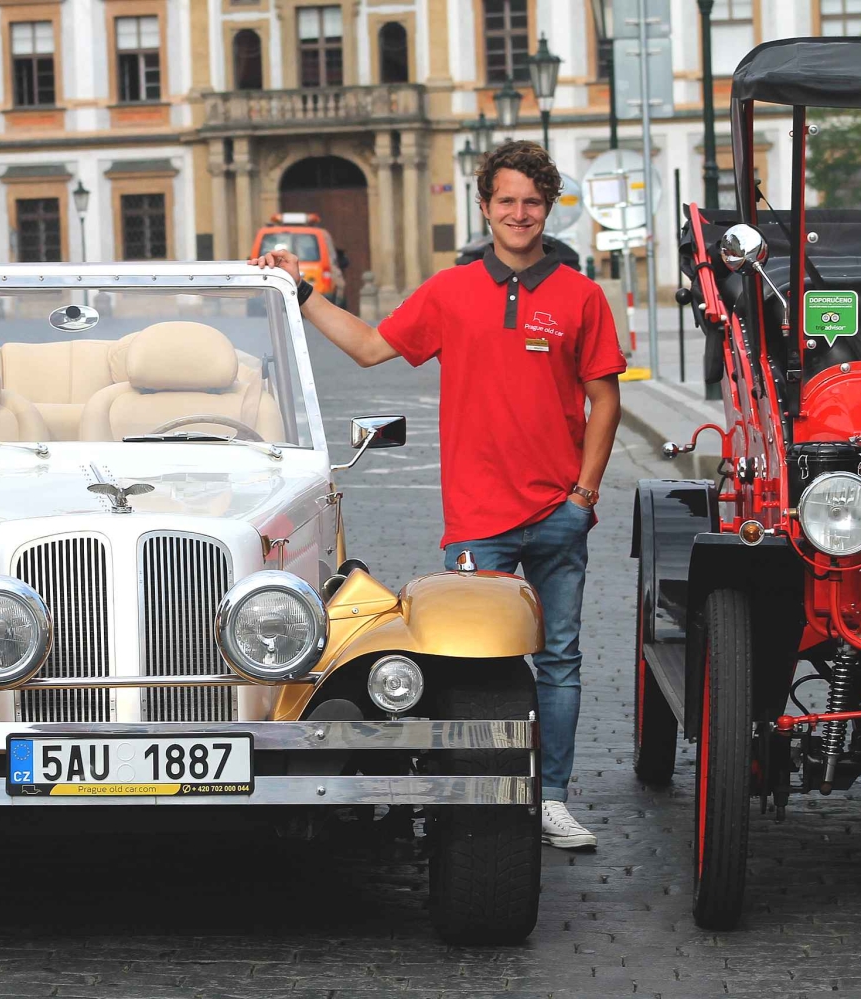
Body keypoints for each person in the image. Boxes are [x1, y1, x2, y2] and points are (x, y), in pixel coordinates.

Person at [253, 140, 624, 850]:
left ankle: (551, 797)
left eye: (532, 202)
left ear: (549, 210)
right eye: (506, 200)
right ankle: (472, 799)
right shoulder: (450, 292)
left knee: (562, 661)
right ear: (484, 207)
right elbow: (367, 347)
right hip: (479, 522)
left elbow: (603, 399)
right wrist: (300, 292)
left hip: (557, 514)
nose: (519, 213)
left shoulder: (582, 295)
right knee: (465, 660)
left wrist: (583, 494)